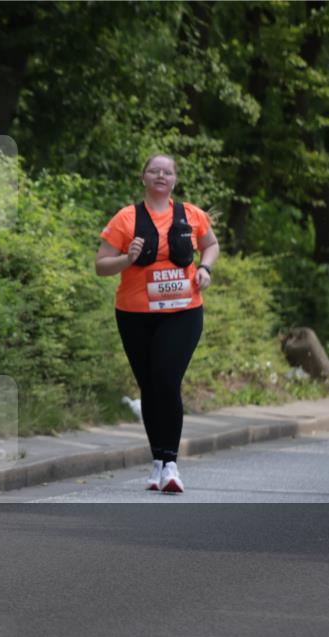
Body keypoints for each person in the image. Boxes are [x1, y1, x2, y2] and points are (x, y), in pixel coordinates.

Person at [94, 154, 220, 493]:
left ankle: (171, 464)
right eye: (154, 171)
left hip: (183, 311)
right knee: (149, 385)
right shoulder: (126, 218)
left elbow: (211, 245)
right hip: (135, 315)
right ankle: (157, 461)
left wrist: (205, 269)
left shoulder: (193, 215)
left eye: (167, 172)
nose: (161, 176)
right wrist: (127, 258)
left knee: (167, 378)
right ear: (144, 177)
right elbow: (101, 266)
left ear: (175, 179)